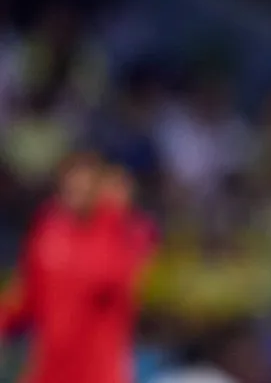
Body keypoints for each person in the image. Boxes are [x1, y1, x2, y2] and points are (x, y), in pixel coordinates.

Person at [0, 152, 157, 383]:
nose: (76, 193)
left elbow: (118, 279)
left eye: (85, 187)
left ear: (98, 190)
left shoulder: (122, 232)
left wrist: (113, 215)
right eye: (70, 186)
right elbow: (26, 294)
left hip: (99, 373)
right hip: (48, 369)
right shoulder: (48, 229)